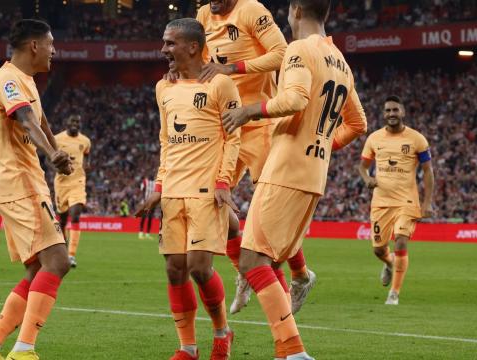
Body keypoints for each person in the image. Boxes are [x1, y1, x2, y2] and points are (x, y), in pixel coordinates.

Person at [222, 0, 367, 358]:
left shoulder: (300, 49)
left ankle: (293, 351)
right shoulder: (340, 61)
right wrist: (322, 144)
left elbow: (296, 98)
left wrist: (248, 110)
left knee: (253, 260)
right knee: (262, 260)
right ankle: (290, 346)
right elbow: (358, 123)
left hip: (286, 168)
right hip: (313, 173)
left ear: (297, 11)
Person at [193, 0, 315, 315]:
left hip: (260, 122)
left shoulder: (252, 11)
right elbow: (203, 67)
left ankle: (300, 276)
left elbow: (282, 54)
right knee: (212, 200)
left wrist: (232, 67)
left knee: (271, 213)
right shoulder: (204, 15)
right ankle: (244, 272)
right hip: (226, 124)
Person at [136, 18, 241, 360]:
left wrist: (224, 181)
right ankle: (188, 347)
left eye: (169, 43)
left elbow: (233, 136)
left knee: (198, 267)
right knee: (174, 268)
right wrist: (159, 185)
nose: (163, 49)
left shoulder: (222, 85)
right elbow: (166, 141)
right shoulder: (162, 88)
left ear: (192, 47)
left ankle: (223, 332)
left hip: (206, 191)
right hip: (172, 192)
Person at [0, 19, 73, 360]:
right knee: (57, 261)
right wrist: (53, 153)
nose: (54, 50)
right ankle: (24, 350)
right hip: (19, 182)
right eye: (50, 43)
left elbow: (42, 122)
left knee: (37, 269)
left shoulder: (25, 81)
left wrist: (57, 150)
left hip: (21, 182)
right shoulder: (7, 79)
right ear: (34, 46)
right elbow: (26, 119)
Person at [358, 95, 435, 306]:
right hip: (381, 201)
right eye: (388, 111)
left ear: (403, 112)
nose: (391, 114)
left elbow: (428, 171)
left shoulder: (417, 139)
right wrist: (367, 179)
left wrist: (427, 202)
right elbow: (363, 167)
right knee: (378, 250)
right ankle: (390, 262)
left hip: (407, 201)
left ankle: (394, 293)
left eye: (395, 110)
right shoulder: (374, 139)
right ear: (384, 114)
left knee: (401, 239)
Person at [54, 114, 91, 268]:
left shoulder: (85, 141)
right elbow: (49, 158)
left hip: (78, 182)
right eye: (72, 121)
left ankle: (71, 255)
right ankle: (63, 251)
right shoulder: (57, 139)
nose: (75, 124)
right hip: (61, 184)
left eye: (77, 122)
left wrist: (87, 165)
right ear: (66, 124)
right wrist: (56, 168)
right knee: (62, 220)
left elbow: (87, 155)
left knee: (75, 215)